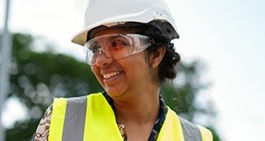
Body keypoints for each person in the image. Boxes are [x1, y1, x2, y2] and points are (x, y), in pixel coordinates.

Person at [33, 0, 213, 140]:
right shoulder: (63, 120)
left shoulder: (196, 138)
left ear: (156, 54)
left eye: (117, 44)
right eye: (95, 49)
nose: (101, 60)